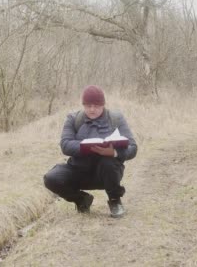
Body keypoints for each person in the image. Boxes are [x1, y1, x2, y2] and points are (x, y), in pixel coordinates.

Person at [43, 85, 138, 218]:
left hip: (107, 173)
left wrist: (114, 153)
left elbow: (133, 148)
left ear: (103, 105)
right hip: (79, 169)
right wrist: (88, 147)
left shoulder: (116, 119)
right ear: (83, 105)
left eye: (96, 106)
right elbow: (65, 144)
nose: (92, 109)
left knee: (108, 162)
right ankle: (81, 200)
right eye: (88, 106)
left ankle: (115, 201)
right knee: (51, 178)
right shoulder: (73, 119)